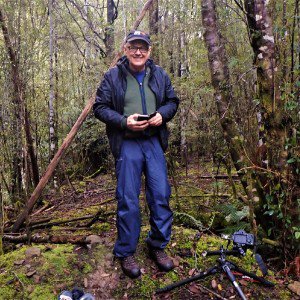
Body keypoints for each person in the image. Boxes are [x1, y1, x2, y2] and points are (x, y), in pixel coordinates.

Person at [93, 30, 179, 279]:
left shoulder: (160, 74)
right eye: (133, 47)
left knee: (161, 194)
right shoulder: (113, 77)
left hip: (153, 141)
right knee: (128, 198)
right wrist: (123, 121)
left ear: (149, 51)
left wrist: (163, 114)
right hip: (127, 143)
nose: (138, 52)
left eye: (143, 47)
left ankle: (157, 245)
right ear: (125, 49)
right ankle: (127, 251)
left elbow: (173, 101)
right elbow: (100, 107)